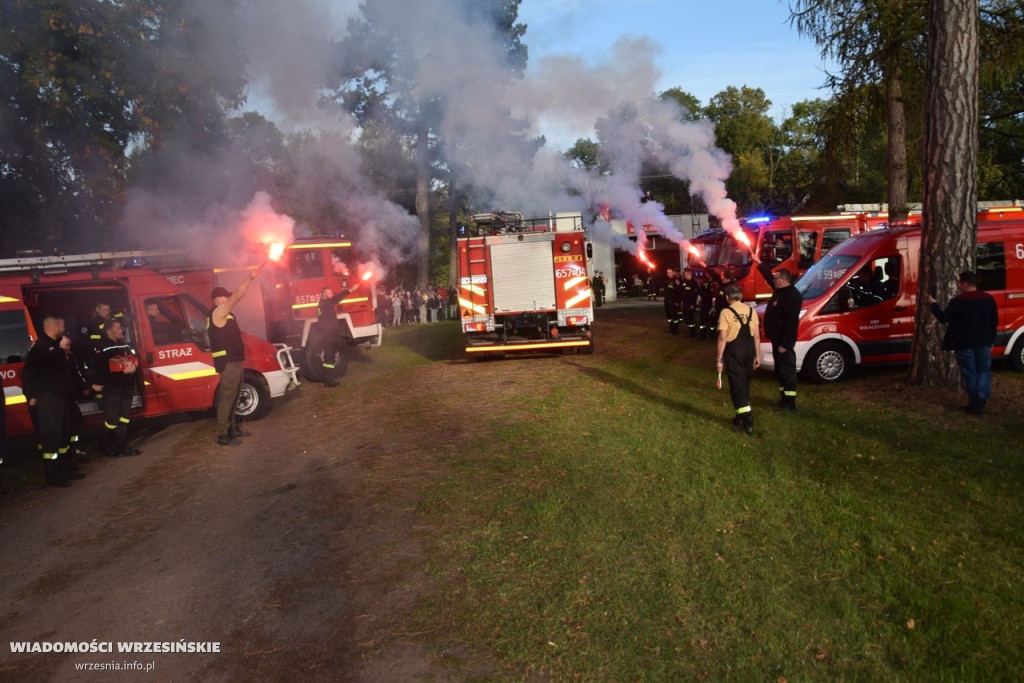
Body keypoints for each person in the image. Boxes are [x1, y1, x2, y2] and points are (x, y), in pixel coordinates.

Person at [928, 271, 999, 415]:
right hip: (984, 341)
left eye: (960, 282)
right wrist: (992, 338)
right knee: (984, 370)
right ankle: (981, 395)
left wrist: (933, 304)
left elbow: (943, 317)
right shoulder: (988, 300)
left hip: (964, 343)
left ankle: (974, 403)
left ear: (965, 283)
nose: (959, 285)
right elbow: (994, 321)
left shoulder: (959, 302)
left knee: (970, 374)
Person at [22, 316, 81, 486]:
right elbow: (28, 374)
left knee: (63, 436)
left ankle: (65, 471)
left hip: (61, 399)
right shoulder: (39, 348)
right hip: (48, 400)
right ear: (54, 327)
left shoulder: (54, 346)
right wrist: (32, 396)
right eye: (62, 325)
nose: (64, 328)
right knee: (51, 438)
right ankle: (53, 477)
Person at [208, 269, 261, 446]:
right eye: (225, 297)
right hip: (227, 363)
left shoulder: (226, 314)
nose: (228, 300)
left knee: (234, 395)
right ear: (217, 299)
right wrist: (249, 278)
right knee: (227, 398)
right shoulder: (217, 313)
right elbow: (237, 296)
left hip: (234, 361)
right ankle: (222, 434)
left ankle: (231, 428)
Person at [89, 319, 141, 457]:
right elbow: (101, 372)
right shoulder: (102, 348)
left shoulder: (123, 345)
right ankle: (104, 446)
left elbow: (133, 361)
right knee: (112, 421)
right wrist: (119, 372)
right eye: (118, 328)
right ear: (109, 331)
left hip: (126, 387)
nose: (121, 331)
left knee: (124, 418)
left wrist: (133, 368)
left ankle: (122, 448)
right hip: (112, 390)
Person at [756, 258, 803, 411]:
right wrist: (759, 263)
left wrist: (785, 343)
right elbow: (769, 276)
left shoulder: (792, 296)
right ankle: (783, 399)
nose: (773, 281)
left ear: (783, 280)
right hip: (776, 339)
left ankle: (790, 403)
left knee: (786, 370)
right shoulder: (780, 290)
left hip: (784, 342)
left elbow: (792, 323)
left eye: (776, 279)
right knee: (780, 370)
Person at [716, 284, 760, 434]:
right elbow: (757, 336)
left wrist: (719, 359)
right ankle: (740, 417)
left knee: (737, 386)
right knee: (744, 384)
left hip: (735, 351)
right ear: (741, 297)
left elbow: (722, 338)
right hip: (749, 349)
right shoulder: (752, 310)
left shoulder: (725, 312)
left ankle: (747, 420)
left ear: (727, 297)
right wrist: (757, 356)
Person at [317, 278, 360, 388]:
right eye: (329, 292)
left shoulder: (323, 304)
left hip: (328, 334)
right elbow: (337, 298)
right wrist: (350, 290)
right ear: (324, 294)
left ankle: (328, 379)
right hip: (328, 335)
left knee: (328, 358)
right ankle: (329, 380)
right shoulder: (324, 304)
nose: (332, 294)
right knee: (330, 357)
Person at [680, 269, 700, 337]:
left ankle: (693, 332)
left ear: (689, 274)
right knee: (686, 317)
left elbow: (695, 295)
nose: (685, 275)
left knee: (690, 318)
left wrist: (692, 304)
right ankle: (690, 329)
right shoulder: (685, 282)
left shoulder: (693, 283)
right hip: (685, 303)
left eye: (686, 274)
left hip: (690, 304)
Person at [663, 268, 681, 334]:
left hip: (673, 301)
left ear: (673, 273)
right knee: (669, 315)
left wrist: (677, 301)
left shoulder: (675, 281)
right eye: (667, 272)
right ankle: (671, 328)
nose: (668, 273)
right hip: (667, 301)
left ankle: (676, 330)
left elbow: (678, 292)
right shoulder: (666, 280)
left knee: (674, 316)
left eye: (670, 272)